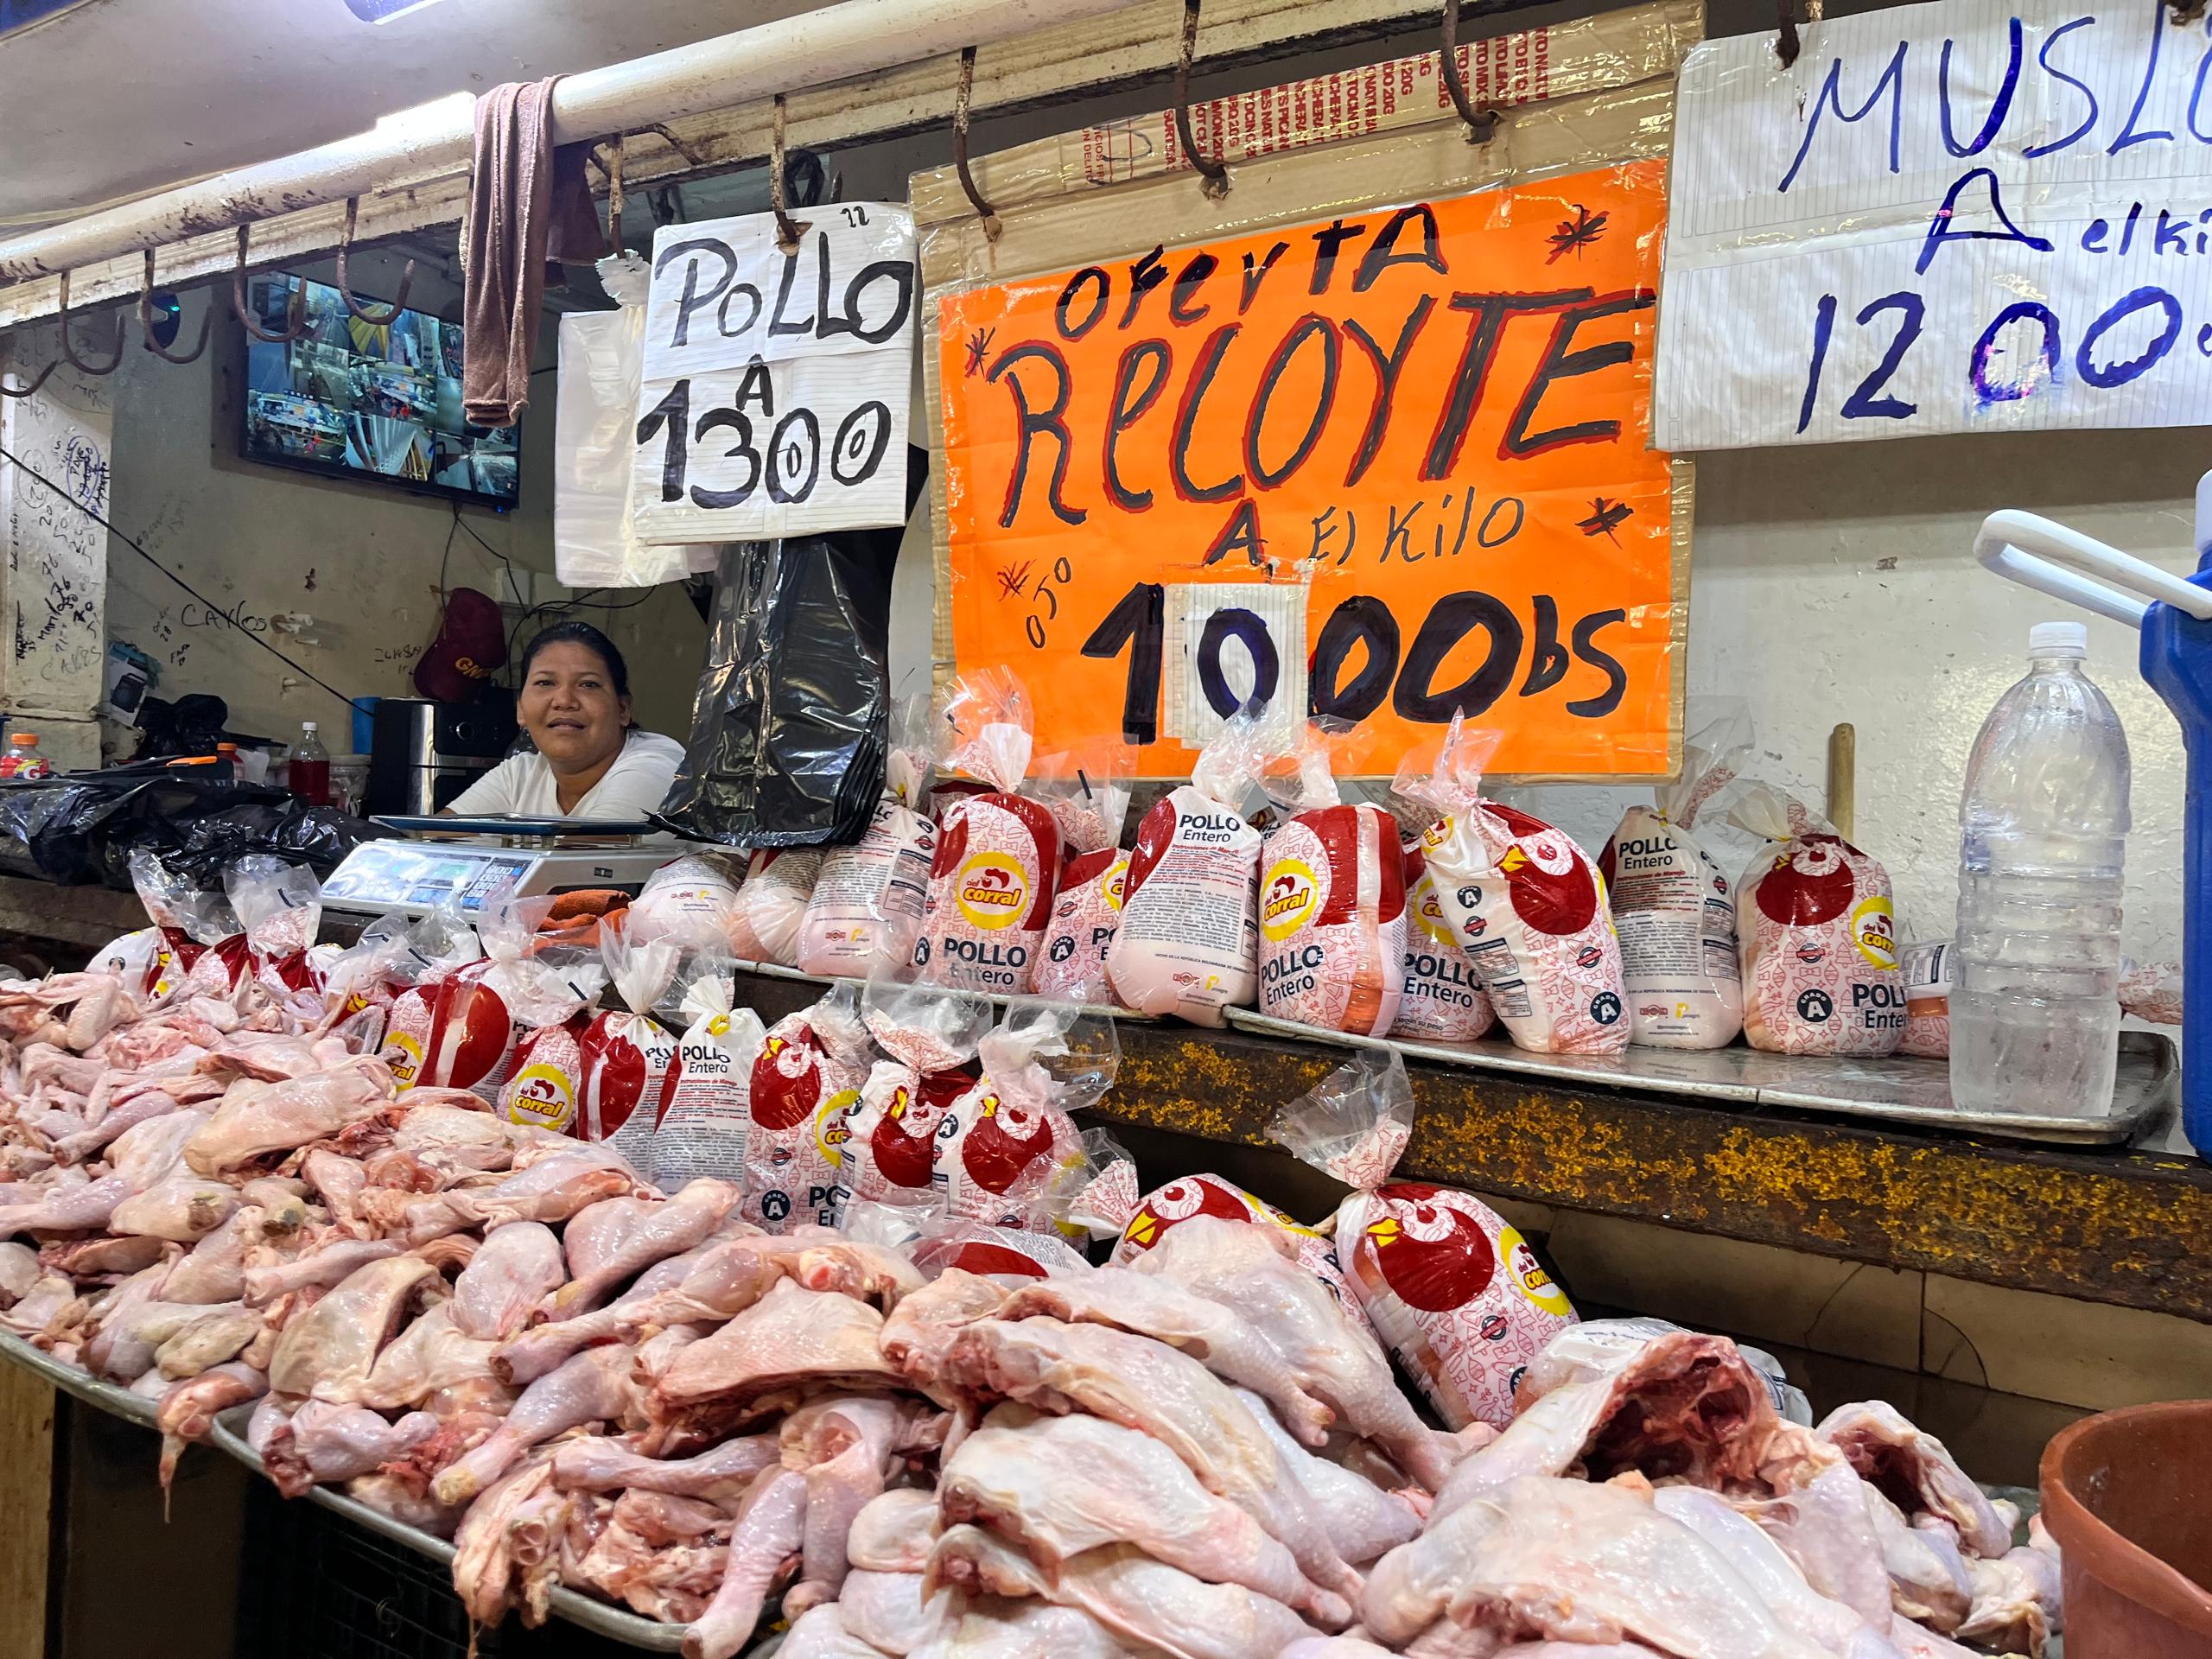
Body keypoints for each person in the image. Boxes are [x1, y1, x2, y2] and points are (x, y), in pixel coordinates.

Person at [445, 622, 684, 820]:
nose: (564, 700)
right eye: (545, 683)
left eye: (588, 685)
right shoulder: (520, 774)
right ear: (521, 709)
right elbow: (428, 841)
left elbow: (589, 856)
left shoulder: (658, 763)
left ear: (623, 709)